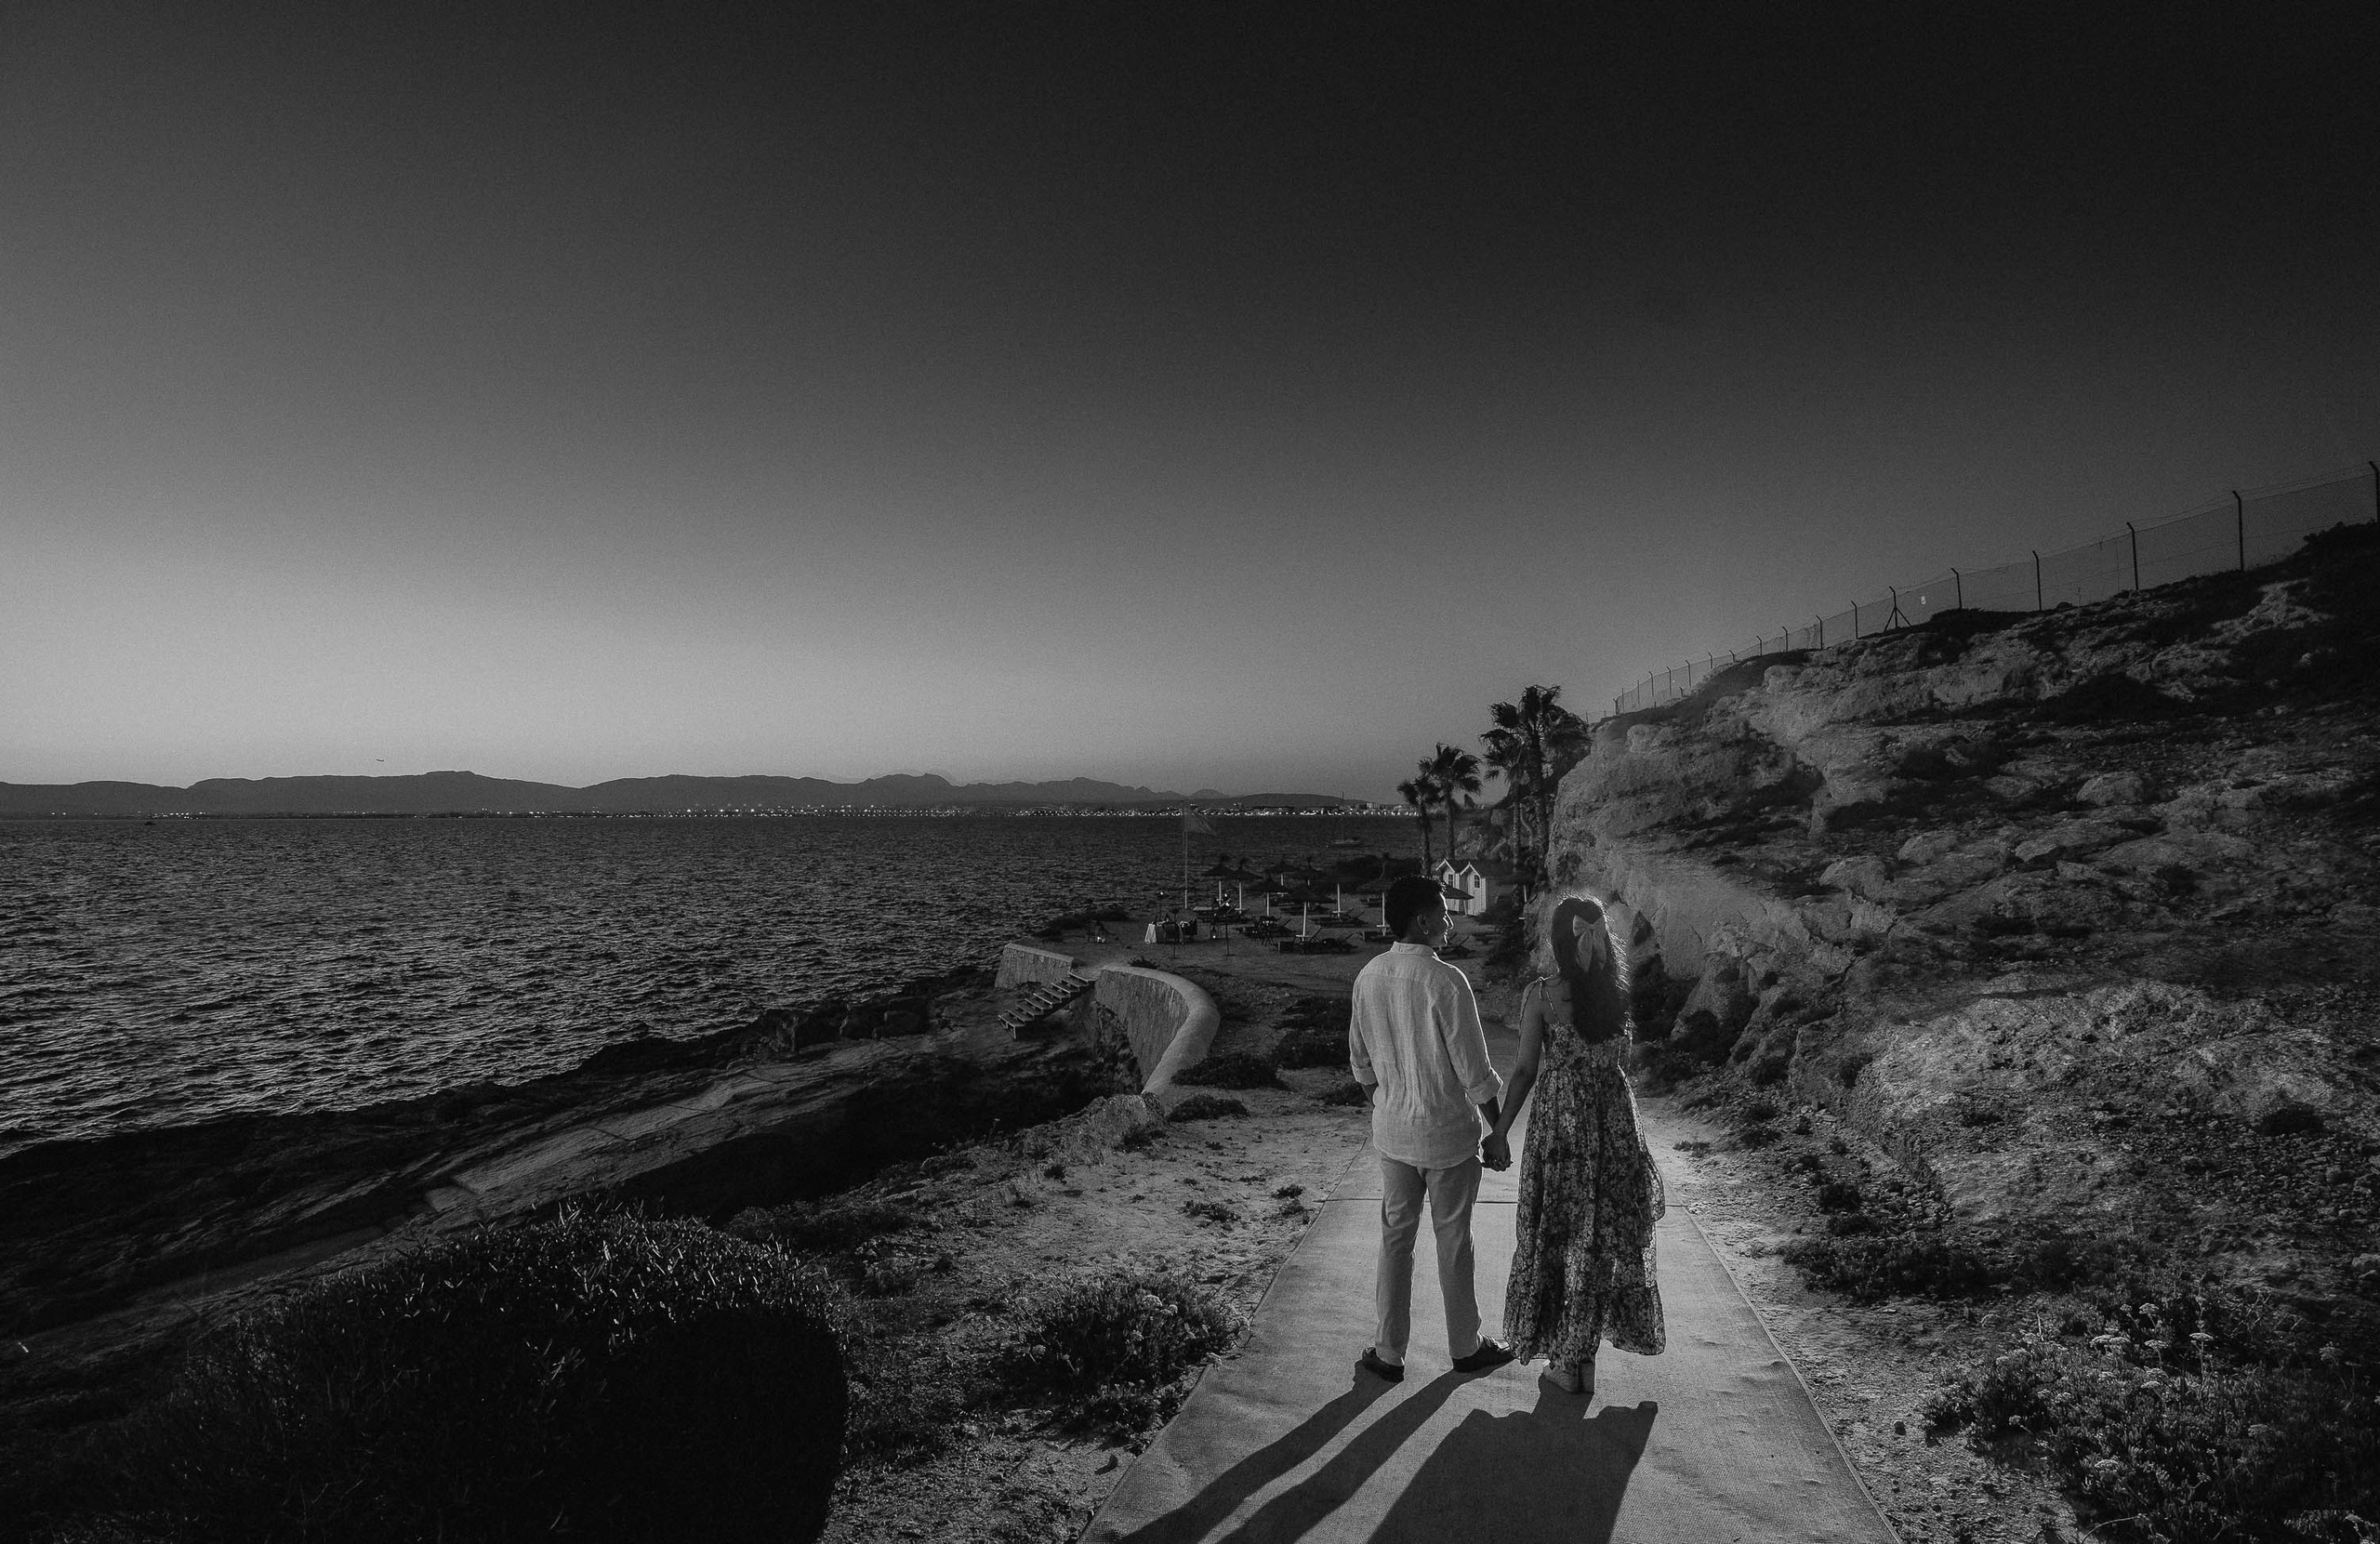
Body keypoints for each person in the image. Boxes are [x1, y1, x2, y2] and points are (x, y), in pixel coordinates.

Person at [1488, 893, 1666, 1397]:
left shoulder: (1543, 995)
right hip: (1613, 1127)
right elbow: (1622, 1060)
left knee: (1557, 1240)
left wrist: (1500, 1130)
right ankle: (1580, 1359)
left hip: (1562, 1132)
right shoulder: (1617, 994)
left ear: (1558, 941)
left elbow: (1524, 1070)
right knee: (1600, 1245)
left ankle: (1569, 1362)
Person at [1347, 875, 1516, 1381]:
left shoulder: (1368, 976)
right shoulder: (1446, 981)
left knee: (1396, 1240)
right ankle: (1465, 1346)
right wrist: (1500, 1131)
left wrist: (1388, 1102)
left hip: (1394, 1136)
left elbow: (1361, 1065)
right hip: (1447, 1137)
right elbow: (1475, 1072)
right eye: (1443, 913)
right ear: (1422, 920)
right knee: (1453, 1241)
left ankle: (1388, 1352)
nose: (1449, 921)